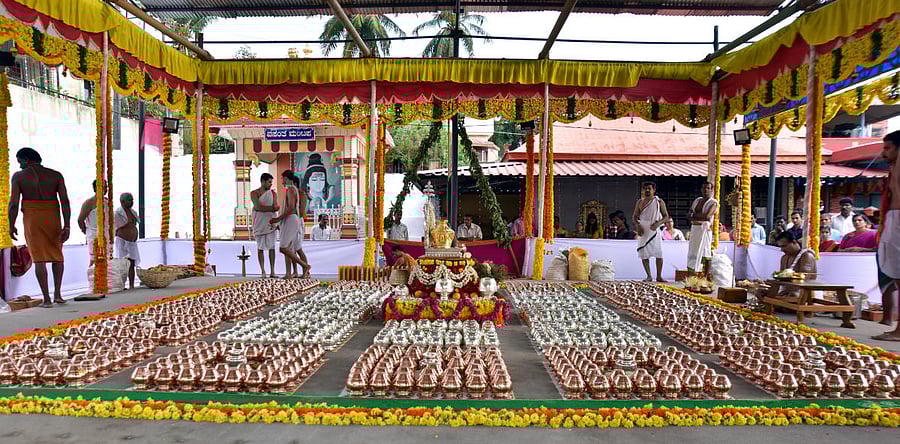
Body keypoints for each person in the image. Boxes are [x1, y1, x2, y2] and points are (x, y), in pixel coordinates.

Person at [8, 148, 70, 307]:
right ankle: (58, 295)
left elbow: (14, 203)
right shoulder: (56, 175)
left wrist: (11, 224)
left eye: (20, 161)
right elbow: (65, 201)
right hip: (53, 218)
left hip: (32, 219)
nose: (20, 165)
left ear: (26, 159)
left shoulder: (19, 177)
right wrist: (67, 225)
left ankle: (47, 299)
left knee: (39, 258)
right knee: (57, 255)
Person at [874, 130, 900, 341]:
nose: (884, 153)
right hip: (892, 219)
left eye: (887, 148)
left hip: (898, 219)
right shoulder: (893, 168)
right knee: (895, 276)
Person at [270, 170, 309, 278]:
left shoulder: (291, 189)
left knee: (283, 248)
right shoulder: (291, 189)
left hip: (291, 219)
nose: (281, 181)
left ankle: (305, 266)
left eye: (282, 178)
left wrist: (277, 218)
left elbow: (291, 207)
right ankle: (288, 273)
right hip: (289, 219)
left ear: (286, 178)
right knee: (288, 248)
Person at [632, 182, 669, 282]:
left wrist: (658, 224)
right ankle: (648, 276)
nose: (647, 191)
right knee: (644, 253)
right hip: (643, 229)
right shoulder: (639, 202)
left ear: (654, 190)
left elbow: (666, 216)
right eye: (645, 189)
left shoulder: (659, 202)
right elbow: (635, 217)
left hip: (654, 229)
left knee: (659, 254)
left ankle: (659, 276)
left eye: (649, 188)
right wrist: (638, 226)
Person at [250, 173, 279, 278]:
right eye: (269, 182)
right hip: (259, 222)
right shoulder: (254, 193)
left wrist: (269, 208)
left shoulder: (273, 194)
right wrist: (271, 208)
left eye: (271, 182)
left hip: (270, 222)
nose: (271, 184)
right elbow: (257, 207)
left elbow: (276, 206)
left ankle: (272, 271)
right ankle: (263, 271)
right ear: (262, 181)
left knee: (272, 247)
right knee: (260, 247)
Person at [686, 181, 719, 272]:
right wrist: (697, 216)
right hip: (695, 229)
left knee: (706, 252)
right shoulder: (697, 200)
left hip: (704, 230)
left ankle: (705, 277)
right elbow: (689, 215)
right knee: (693, 252)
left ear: (712, 190)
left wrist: (694, 216)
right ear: (701, 189)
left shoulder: (714, 202)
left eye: (708, 188)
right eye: (704, 188)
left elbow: (707, 217)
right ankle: (692, 275)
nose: (706, 190)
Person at [774, 231, 817, 298]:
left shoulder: (807, 256)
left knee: (793, 295)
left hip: (805, 291)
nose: (782, 249)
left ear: (794, 242)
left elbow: (804, 279)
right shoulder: (784, 258)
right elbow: (781, 279)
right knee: (762, 292)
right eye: (780, 247)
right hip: (788, 290)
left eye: (784, 246)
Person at [77, 180, 108, 266]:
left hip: (106, 235)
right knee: (94, 260)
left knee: (106, 261)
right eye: (103, 187)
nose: (105, 189)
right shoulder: (89, 202)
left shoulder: (106, 201)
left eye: (106, 187)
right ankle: (92, 279)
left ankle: (105, 279)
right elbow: (80, 220)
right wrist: (85, 231)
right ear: (95, 189)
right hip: (94, 235)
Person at [114, 193, 141, 289]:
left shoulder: (133, 212)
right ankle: (122, 285)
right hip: (122, 241)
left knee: (132, 263)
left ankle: (131, 285)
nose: (131, 202)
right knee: (122, 264)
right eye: (129, 200)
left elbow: (134, 224)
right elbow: (116, 227)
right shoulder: (117, 213)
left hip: (132, 242)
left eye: (132, 200)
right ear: (122, 202)